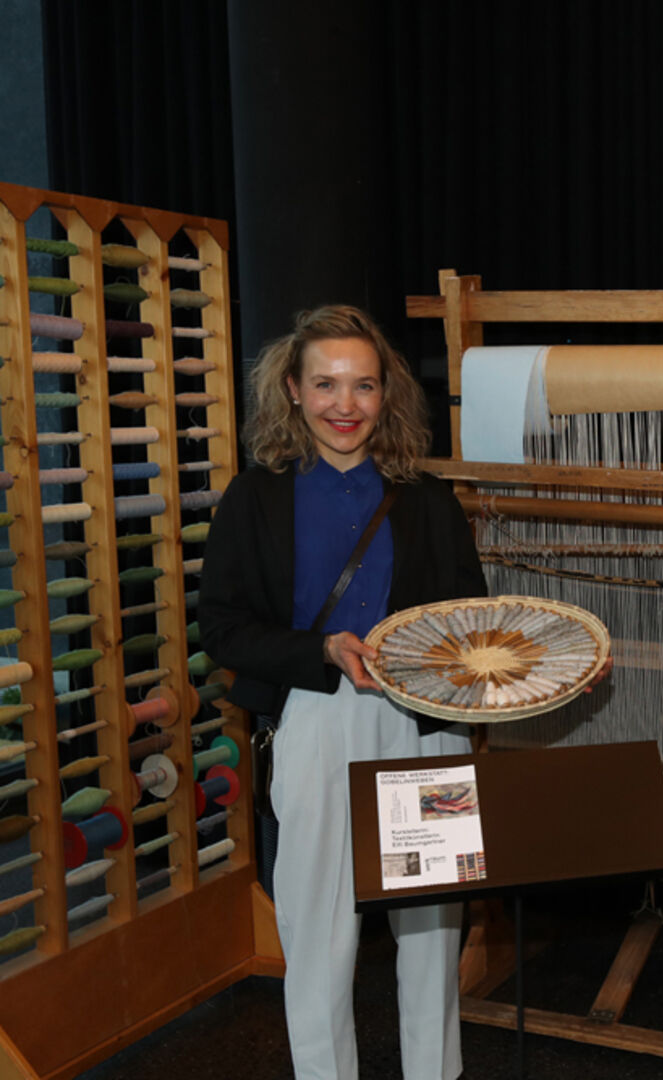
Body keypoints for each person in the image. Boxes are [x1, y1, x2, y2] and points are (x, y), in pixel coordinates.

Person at [200, 305, 483, 1080]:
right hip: (316, 719)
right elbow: (222, 628)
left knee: (432, 928)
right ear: (292, 389)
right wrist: (318, 649)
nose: (345, 404)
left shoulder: (428, 499)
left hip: (424, 727)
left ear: (386, 392)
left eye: (363, 384)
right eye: (325, 384)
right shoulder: (254, 498)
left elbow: (471, 619)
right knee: (317, 931)